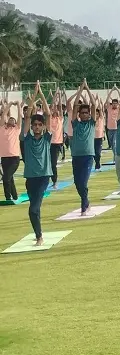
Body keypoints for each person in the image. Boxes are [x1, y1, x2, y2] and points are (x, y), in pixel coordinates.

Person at [21, 92, 53, 246]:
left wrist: (42, 94)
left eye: (40, 125)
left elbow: (47, 114)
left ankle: (39, 237)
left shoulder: (47, 138)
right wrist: (33, 96)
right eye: (35, 125)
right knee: (35, 209)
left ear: (43, 126)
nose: (37, 127)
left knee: (33, 209)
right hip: (30, 179)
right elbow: (27, 117)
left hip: (43, 178)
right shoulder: (26, 139)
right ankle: (38, 234)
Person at [66, 81, 97, 215]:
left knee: (83, 182)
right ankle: (86, 201)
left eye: (87, 112)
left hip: (88, 157)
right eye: (83, 113)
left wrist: (87, 88)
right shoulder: (76, 124)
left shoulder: (91, 124)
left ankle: (84, 206)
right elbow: (73, 106)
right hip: (76, 157)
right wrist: (80, 90)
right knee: (77, 183)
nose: (85, 114)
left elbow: (94, 105)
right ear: (79, 114)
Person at [1, 98, 18, 204]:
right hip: (4, 157)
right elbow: (3, 115)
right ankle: (15, 196)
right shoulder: (2, 128)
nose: (11, 120)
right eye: (10, 119)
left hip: (14, 158)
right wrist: (9, 104)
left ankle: (8, 197)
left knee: (6, 178)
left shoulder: (16, 129)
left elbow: (19, 118)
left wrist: (18, 107)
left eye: (13, 119)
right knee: (9, 177)